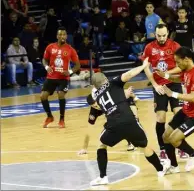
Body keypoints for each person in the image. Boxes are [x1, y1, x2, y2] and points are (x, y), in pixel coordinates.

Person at [89, 58, 170, 186]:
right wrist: (143, 66)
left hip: (113, 125)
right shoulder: (113, 83)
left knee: (101, 146)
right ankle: (160, 169)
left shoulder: (97, 97)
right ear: (105, 78)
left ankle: (103, 177)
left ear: (94, 85)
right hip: (129, 120)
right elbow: (129, 74)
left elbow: (111, 101)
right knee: (144, 147)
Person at [156, 46, 194, 172]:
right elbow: (178, 78)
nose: (177, 64)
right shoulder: (186, 72)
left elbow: (193, 98)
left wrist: (172, 94)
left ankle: (193, 154)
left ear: (186, 59)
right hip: (186, 111)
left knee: (174, 139)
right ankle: (174, 166)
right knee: (165, 136)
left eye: (178, 62)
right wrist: (165, 75)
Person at [141, 23, 185, 160]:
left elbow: (181, 67)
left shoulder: (175, 46)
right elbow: (145, 67)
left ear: (168, 34)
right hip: (159, 87)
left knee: (179, 115)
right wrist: (154, 84)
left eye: (164, 35)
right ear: (155, 34)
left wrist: (166, 73)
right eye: (159, 35)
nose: (161, 38)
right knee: (161, 117)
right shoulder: (149, 47)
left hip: (174, 84)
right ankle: (163, 148)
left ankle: (180, 146)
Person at [77, 86, 139, 155]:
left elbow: (119, 91)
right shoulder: (94, 111)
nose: (97, 107)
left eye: (97, 104)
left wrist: (133, 96)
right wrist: (84, 148)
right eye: (94, 106)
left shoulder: (109, 99)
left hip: (126, 101)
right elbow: (89, 129)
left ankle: (133, 140)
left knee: (131, 120)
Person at [40, 27, 80, 128]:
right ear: (57, 36)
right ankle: (49, 117)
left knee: (61, 94)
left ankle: (62, 119)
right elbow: (44, 60)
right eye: (60, 34)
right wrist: (46, 66)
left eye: (64, 34)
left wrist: (70, 71)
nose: (62, 36)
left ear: (66, 36)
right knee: (43, 96)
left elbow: (77, 65)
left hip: (63, 78)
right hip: (51, 77)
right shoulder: (50, 47)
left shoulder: (70, 49)